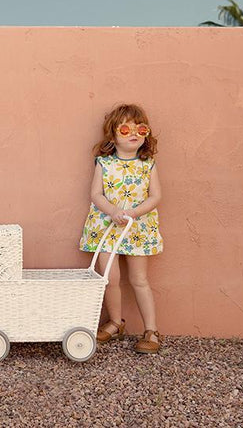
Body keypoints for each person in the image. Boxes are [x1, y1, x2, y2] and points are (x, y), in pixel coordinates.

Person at [79, 103, 163, 353]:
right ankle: (116, 322)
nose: (134, 134)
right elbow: (96, 194)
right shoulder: (103, 163)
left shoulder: (148, 164)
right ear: (113, 134)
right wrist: (114, 211)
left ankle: (151, 329)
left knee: (139, 279)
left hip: (137, 228)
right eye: (126, 129)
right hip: (107, 226)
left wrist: (133, 213)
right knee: (109, 278)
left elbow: (156, 196)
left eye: (141, 129)